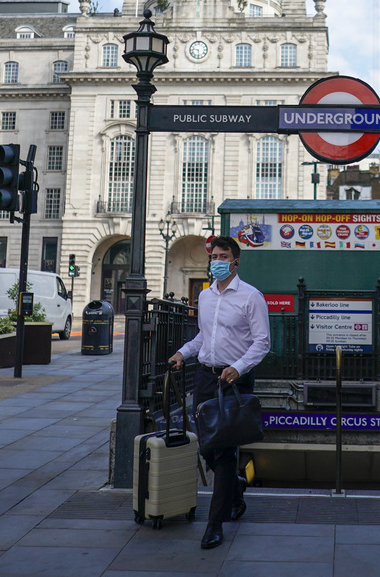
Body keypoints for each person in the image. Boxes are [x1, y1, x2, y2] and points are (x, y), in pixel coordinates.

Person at [168, 236, 270, 550]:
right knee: (206, 448)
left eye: (224, 256)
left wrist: (238, 368)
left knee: (224, 453)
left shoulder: (252, 297)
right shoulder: (206, 296)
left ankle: (215, 524)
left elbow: (262, 342)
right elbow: (204, 336)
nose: (218, 260)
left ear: (236, 262)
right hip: (205, 378)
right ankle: (236, 490)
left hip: (233, 381)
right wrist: (183, 353)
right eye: (214, 255)